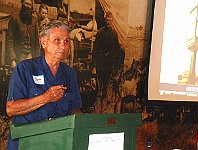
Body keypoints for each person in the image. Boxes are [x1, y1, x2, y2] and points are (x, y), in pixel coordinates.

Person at [6, 20, 82, 150]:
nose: (63, 46)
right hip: (26, 143)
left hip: (57, 143)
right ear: (43, 42)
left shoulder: (69, 74)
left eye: (66, 41)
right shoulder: (24, 69)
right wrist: (45, 98)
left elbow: (75, 109)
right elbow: (11, 109)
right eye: (57, 40)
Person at [92, 11, 124, 100]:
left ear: (112, 21)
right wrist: (93, 65)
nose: (108, 22)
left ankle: (104, 93)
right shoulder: (100, 33)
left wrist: (116, 64)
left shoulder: (114, 34)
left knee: (106, 78)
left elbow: (117, 49)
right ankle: (98, 93)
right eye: (107, 20)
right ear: (104, 20)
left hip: (109, 61)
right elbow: (95, 49)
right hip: (100, 60)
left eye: (110, 20)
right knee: (100, 78)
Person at [6, 0, 40, 67]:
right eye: (26, 4)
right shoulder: (14, 18)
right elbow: (9, 40)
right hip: (18, 56)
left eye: (29, 5)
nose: (28, 6)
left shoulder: (34, 20)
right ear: (22, 4)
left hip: (31, 56)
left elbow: (36, 42)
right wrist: (12, 59)